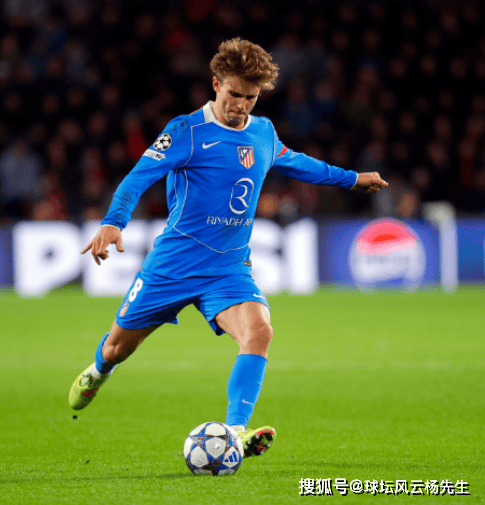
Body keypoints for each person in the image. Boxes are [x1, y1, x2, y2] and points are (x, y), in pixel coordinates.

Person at [69, 38, 387, 459]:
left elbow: (298, 163)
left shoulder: (263, 131)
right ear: (216, 84)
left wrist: (351, 179)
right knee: (117, 348)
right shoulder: (185, 131)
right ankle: (98, 372)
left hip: (228, 270)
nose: (241, 105)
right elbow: (136, 178)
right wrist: (113, 221)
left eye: (250, 97)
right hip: (173, 266)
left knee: (260, 331)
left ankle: (235, 432)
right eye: (234, 94)